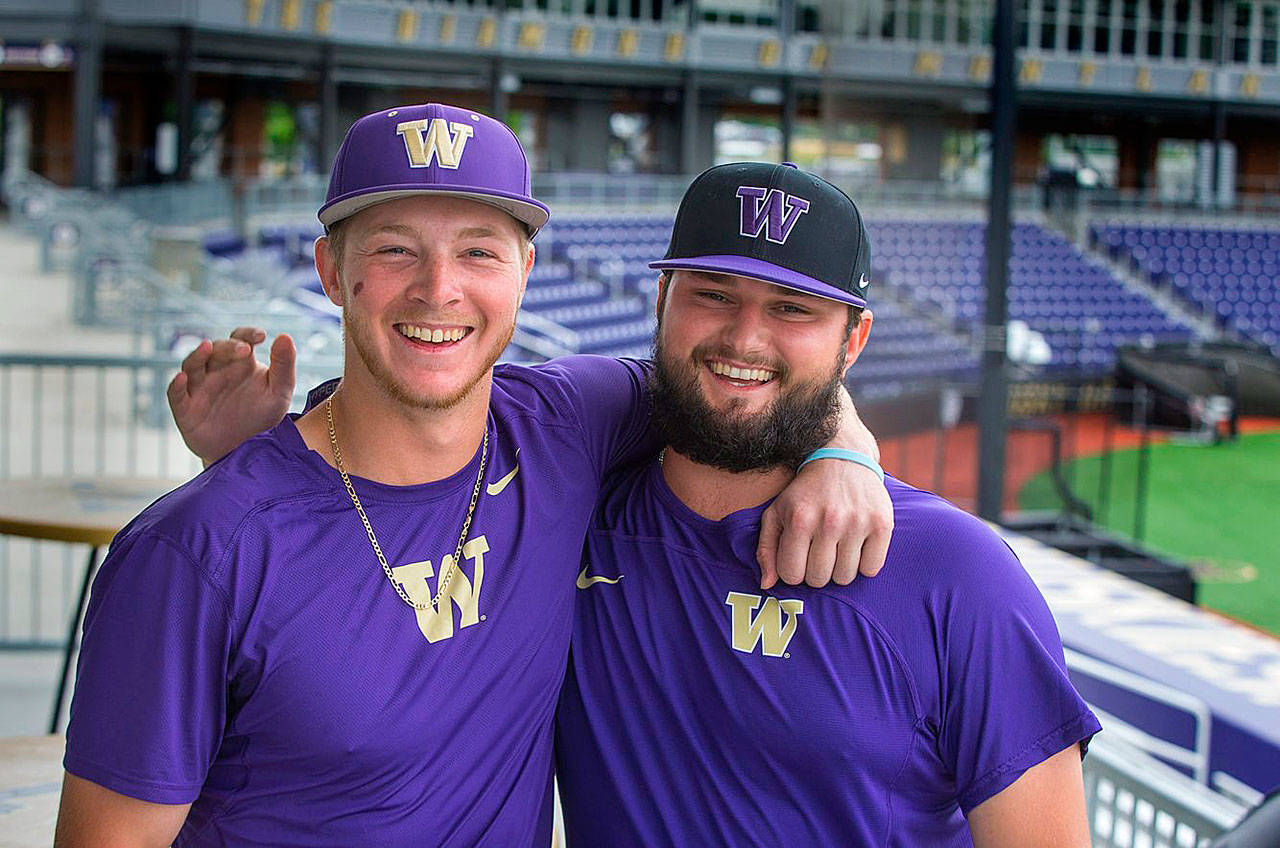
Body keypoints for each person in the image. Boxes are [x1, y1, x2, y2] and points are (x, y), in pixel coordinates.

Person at [54, 105, 890, 846]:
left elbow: (733, 376)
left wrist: (843, 450)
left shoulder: (566, 425)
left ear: (525, 273)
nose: (438, 290)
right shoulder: (195, 551)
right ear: (331, 271)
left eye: (479, 252)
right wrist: (245, 473)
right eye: (394, 250)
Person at [554, 162, 1102, 846]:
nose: (745, 339)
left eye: (792, 308)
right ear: (664, 296)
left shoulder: (958, 573)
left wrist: (845, 444)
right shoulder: (571, 517)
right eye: (714, 294)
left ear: (854, 340)